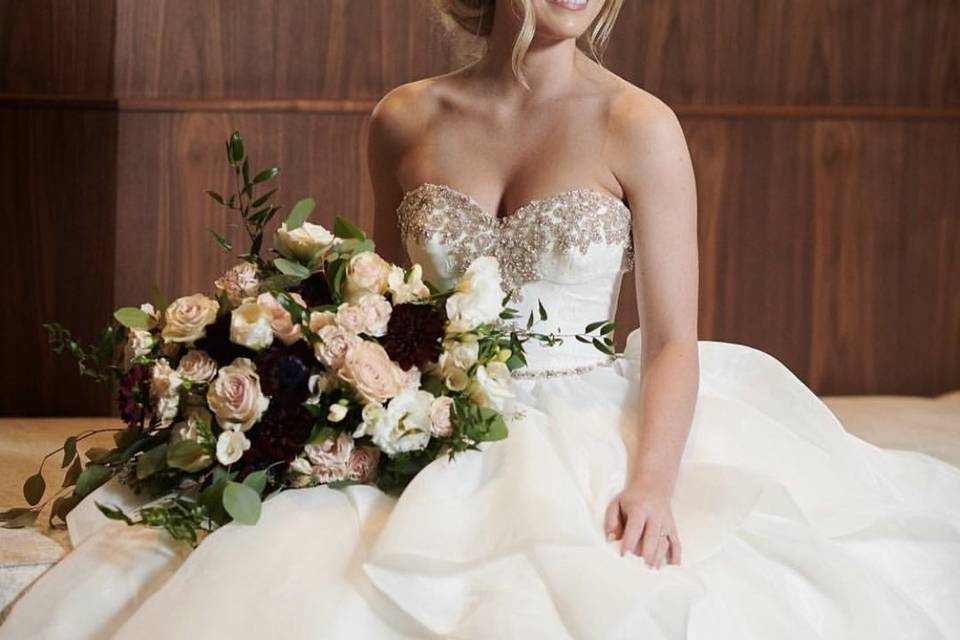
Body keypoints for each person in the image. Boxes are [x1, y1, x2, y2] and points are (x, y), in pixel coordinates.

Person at [2, 1, 959, 638]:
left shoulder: (641, 125)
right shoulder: (406, 118)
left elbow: (671, 339)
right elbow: (382, 306)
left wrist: (656, 483)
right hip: (438, 414)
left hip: (590, 417)